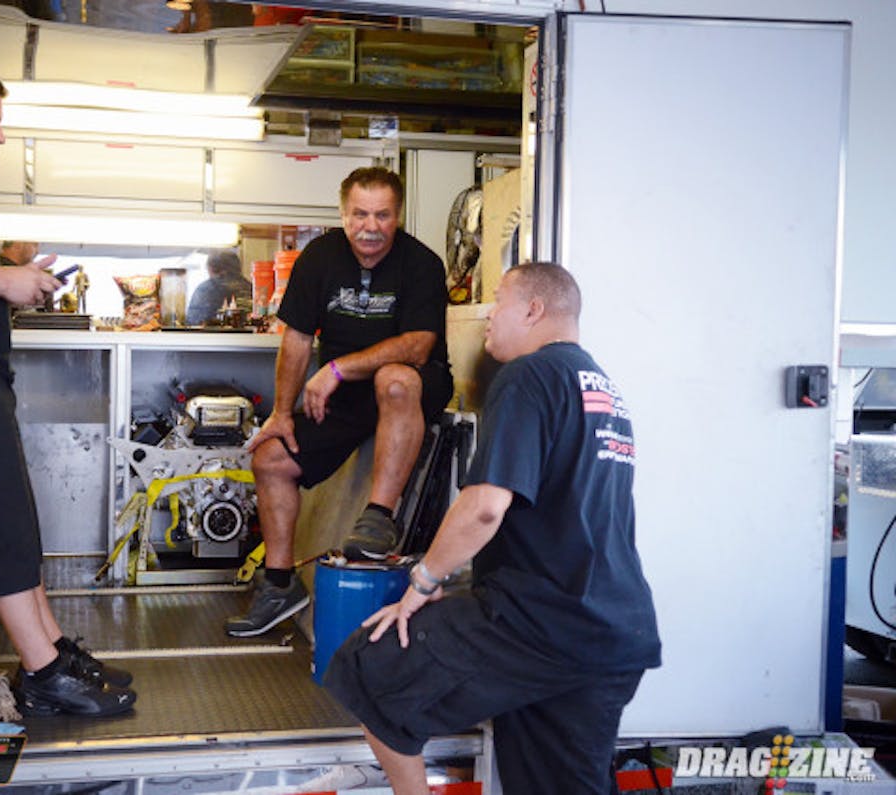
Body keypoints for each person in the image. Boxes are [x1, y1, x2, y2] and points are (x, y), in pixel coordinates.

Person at [323, 262, 661, 794]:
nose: (488, 316)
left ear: (533, 310)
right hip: (612, 632)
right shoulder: (602, 388)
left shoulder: (530, 375)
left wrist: (424, 583)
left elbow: (484, 507)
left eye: (498, 301)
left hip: (540, 619)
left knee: (369, 669)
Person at [0, 59, 136, 717]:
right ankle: (44, 674)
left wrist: (8, 272)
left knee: (17, 527)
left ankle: (48, 647)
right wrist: (6, 282)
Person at [224, 166, 452, 637]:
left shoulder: (422, 264)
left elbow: (417, 346)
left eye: (383, 215)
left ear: (399, 215)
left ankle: (378, 520)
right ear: (343, 214)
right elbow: (298, 339)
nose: (371, 227)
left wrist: (338, 369)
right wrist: (282, 415)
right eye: (360, 215)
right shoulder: (319, 258)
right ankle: (281, 584)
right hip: (345, 396)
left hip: (413, 386)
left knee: (394, 379)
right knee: (269, 459)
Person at [186, 250, 253, 326]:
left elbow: (193, 322)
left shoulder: (206, 289)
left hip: (214, 337)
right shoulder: (251, 288)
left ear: (211, 268)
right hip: (251, 337)